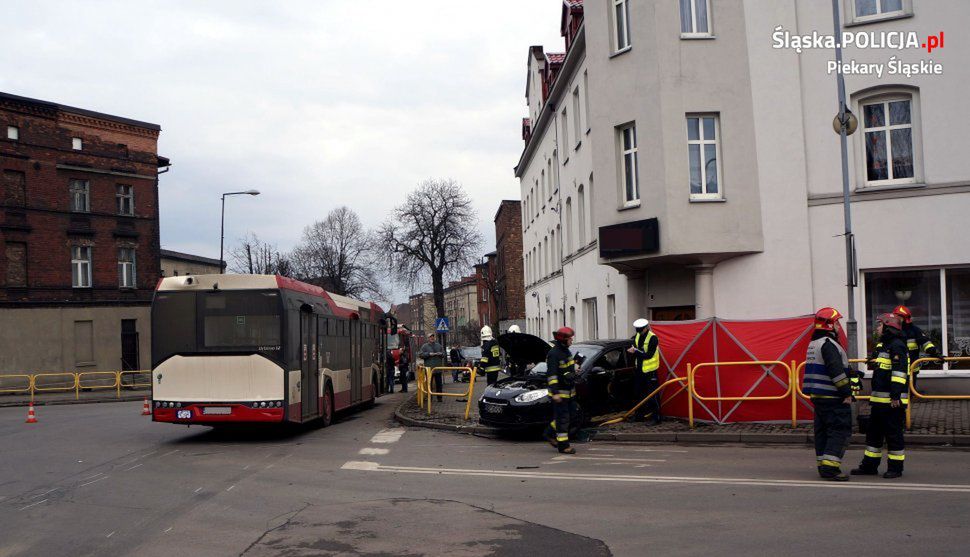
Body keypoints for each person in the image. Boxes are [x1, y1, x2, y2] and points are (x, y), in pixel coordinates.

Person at [852, 313, 909, 479]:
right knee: (873, 435)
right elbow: (877, 365)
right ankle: (869, 466)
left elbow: (899, 374)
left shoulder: (897, 345)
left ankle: (896, 468)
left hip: (892, 402)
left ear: (888, 325)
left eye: (879, 325)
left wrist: (895, 397)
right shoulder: (884, 344)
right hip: (878, 401)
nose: (876, 328)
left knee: (893, 435)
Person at [804, 307, 857, 481]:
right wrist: (846, 393)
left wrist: (855, 374)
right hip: (833, 397)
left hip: (819, 397)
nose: (838, 325)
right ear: (830, 324)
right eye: (837, 322)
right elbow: (836, 371)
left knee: (823, 432)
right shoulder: (828, 343)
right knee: (839, 431)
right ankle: (831, 468)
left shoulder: (814, 343)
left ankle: (823, 465)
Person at [543, 327, 579, 454]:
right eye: (570, 338)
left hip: (569, 392)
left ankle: (549, 433)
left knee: (571, 417)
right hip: (560, 393)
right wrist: (555, 393)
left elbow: (567, 371)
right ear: (564, 340)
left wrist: (575, 371)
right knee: (563, 419)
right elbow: (552, 376)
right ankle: (563, 446)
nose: (572, 340)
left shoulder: (566, 352)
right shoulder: (554, 354)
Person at [892, 305, 942, 391]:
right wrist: (876, 354)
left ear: (904, 318)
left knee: (910, 390)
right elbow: (884, 344)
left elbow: (925, 343)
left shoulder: (915, 330)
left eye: (899, 317)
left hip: (912, 366)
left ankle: (909, 401)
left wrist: (935, 353)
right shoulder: (892, 330)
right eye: (896, 317)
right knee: (897, 389)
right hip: (898, 365)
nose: (897, 319)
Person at [626, 318, 662, 424]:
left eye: (641, 330)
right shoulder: (637, 335)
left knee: (652, 395)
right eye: (638, 330)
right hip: (640, 370)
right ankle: (639, 416)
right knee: (639, 394)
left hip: (650, 371)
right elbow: (635, 346)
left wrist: (635, 352)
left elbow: (649, 355)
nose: (639, 332)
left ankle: (657, 418)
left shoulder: (653, 338)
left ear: (646, 328)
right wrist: (632, 350)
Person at [419, 332, 446, 402]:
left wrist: (441, 354)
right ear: (428, 338)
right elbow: (421, 355)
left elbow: (444, 354)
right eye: (430, 337)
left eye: (433, 337)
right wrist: (428, 354)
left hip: (438, 369)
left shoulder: (438, 346)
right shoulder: (424, 346)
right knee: (429, 384)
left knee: (439, 384)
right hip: (429, 369)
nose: (432, 338)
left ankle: (439, 398)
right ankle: (429, 398)